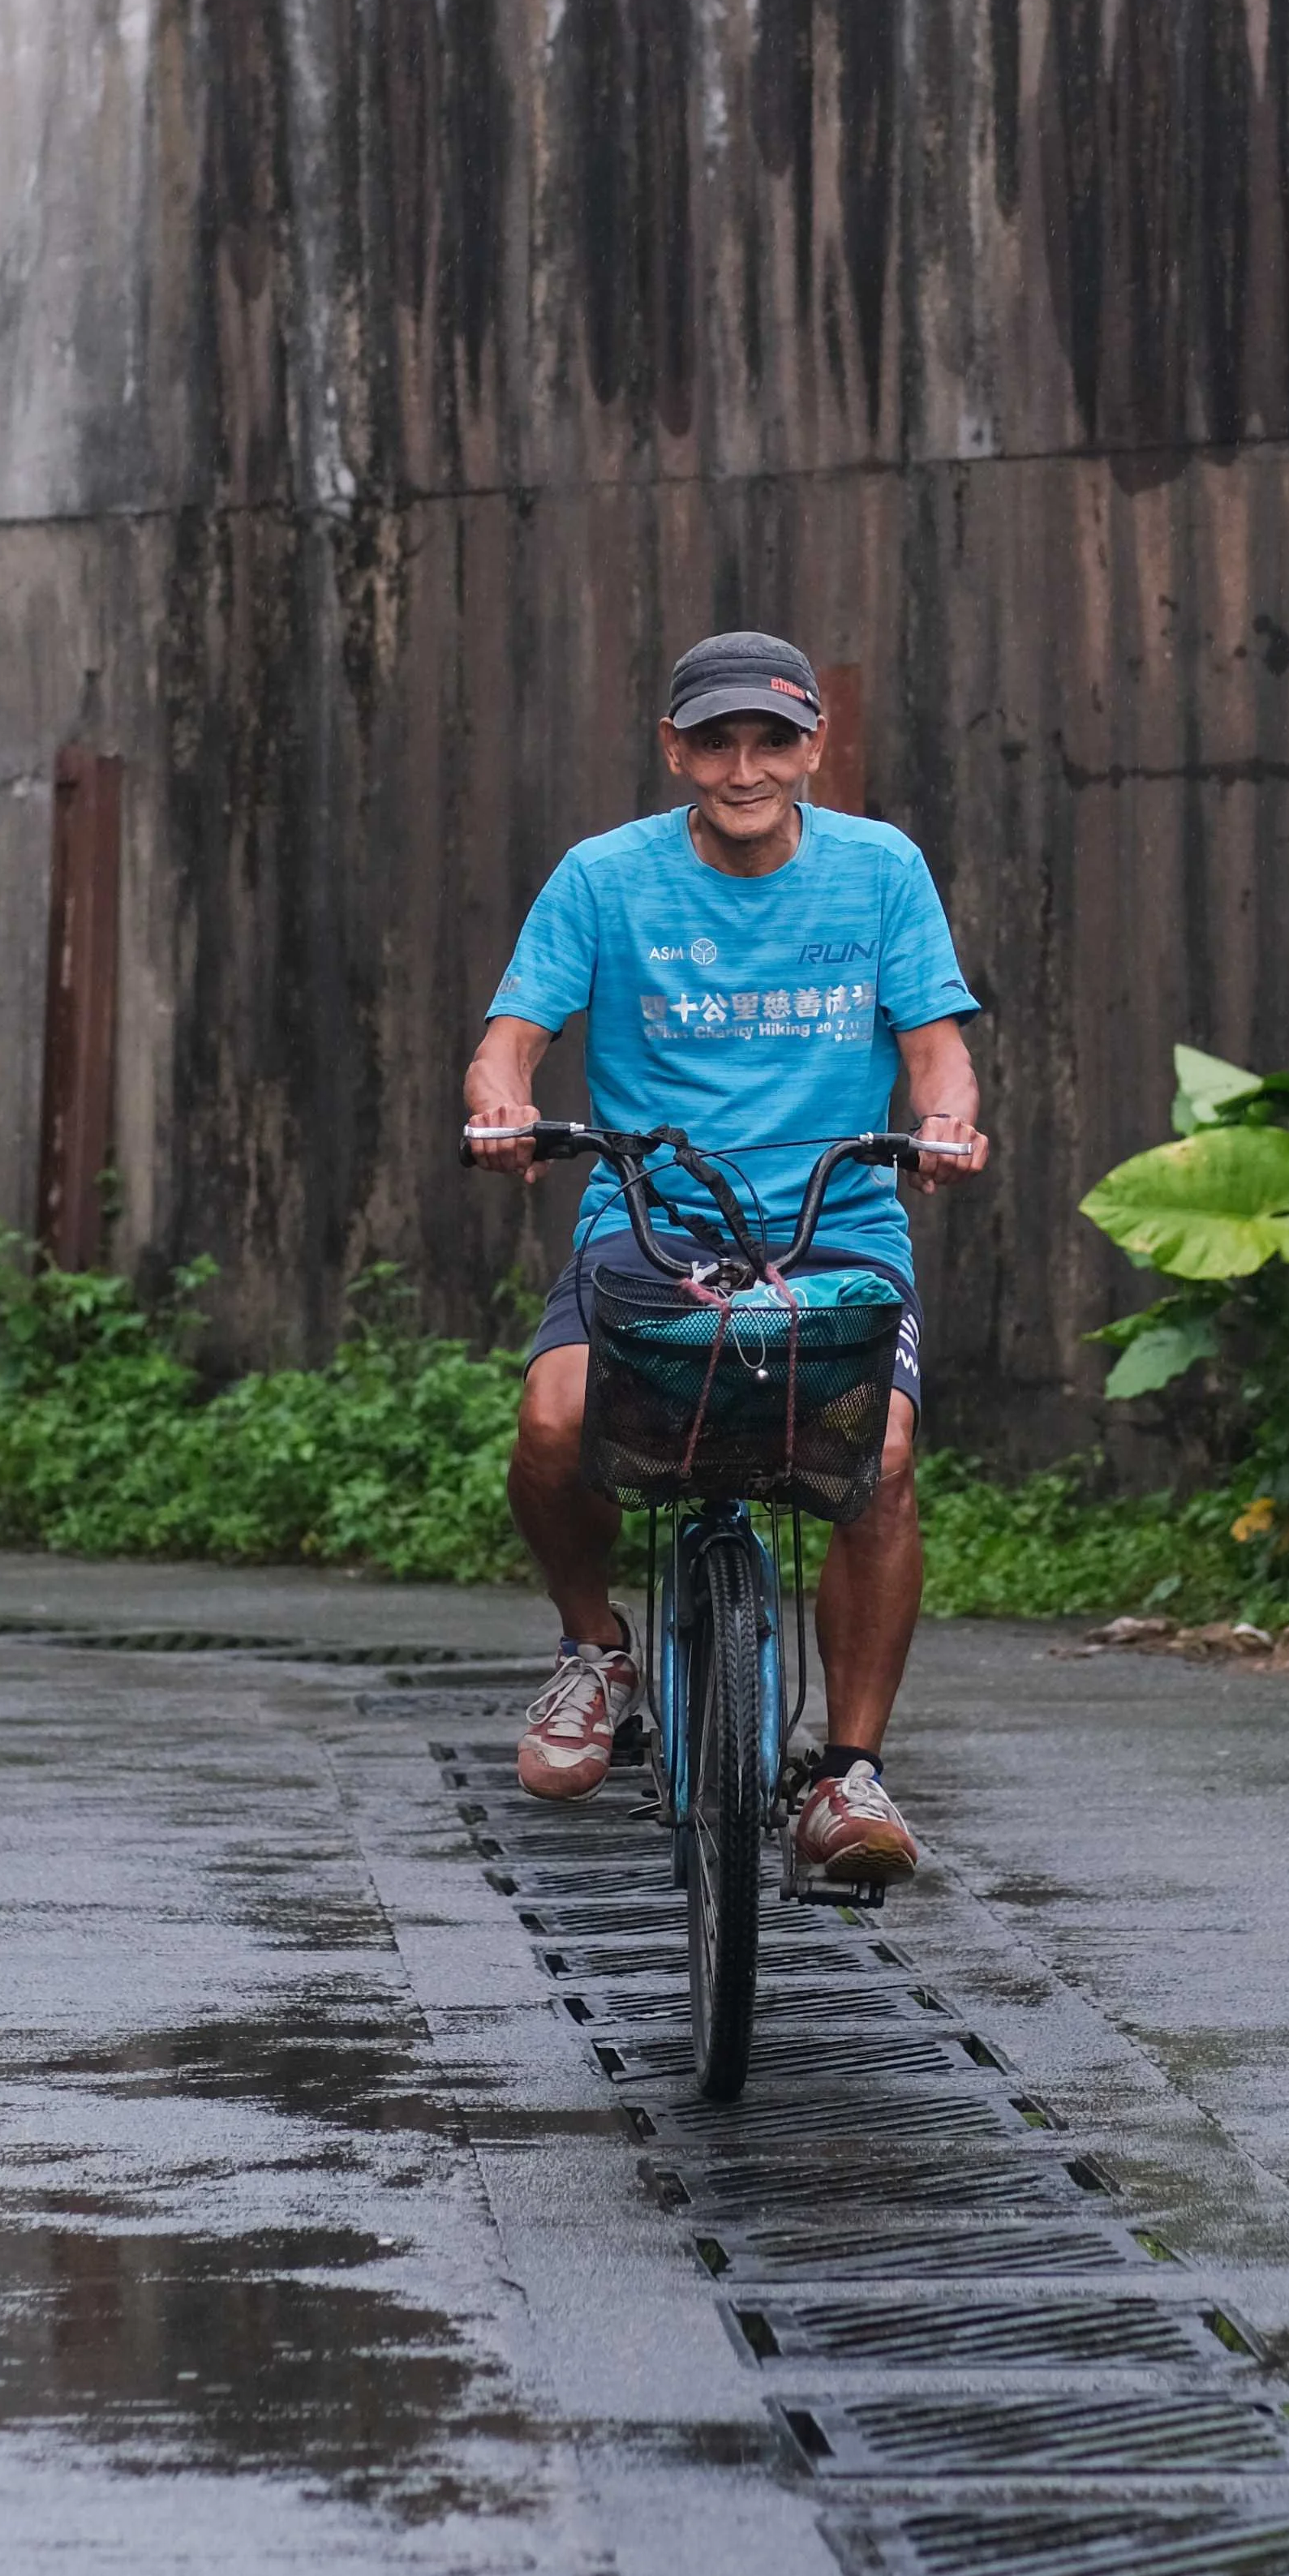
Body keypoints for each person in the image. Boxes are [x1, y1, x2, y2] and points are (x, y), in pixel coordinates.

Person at [462, 630, 986, 1890]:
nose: (742, 767)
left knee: (885, 1454)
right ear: (674, 750)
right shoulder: (604, 878)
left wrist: (950, 1122)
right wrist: (499, 1110)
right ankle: (596, 1648)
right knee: (551, 1423)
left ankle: (849, 1772)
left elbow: (938, 1047)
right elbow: (510, 1040)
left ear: (813, 748)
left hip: (835, 1224)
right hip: (655, 1219)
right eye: (715, 741)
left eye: (770, 740)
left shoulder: (882, 870)